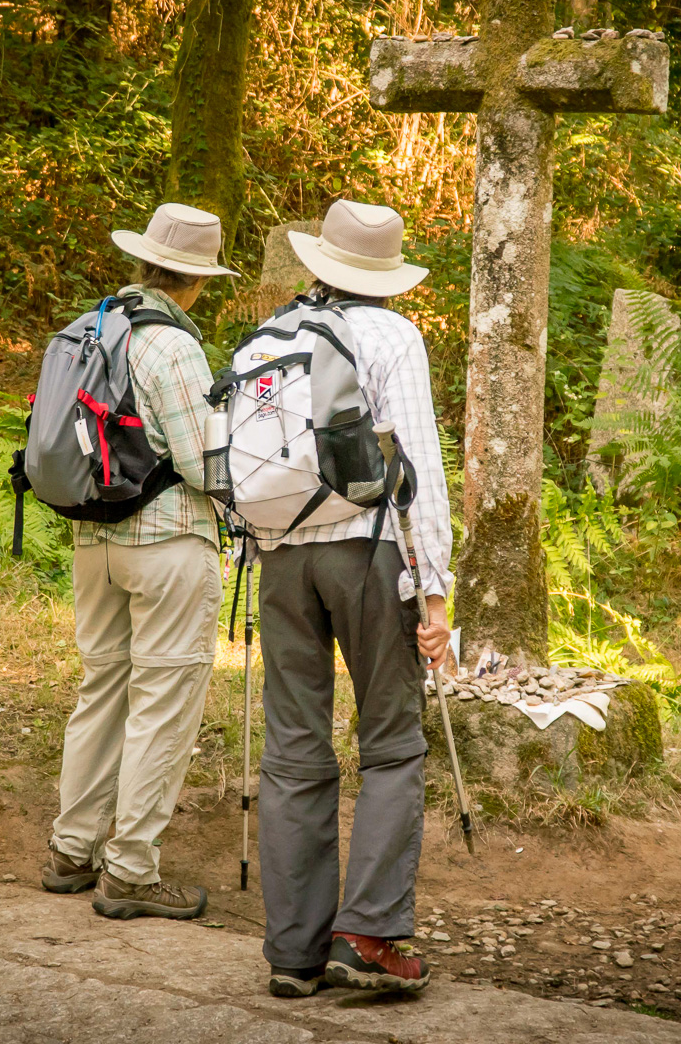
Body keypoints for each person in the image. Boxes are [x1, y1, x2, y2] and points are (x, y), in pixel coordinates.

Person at [255, 200, 454, 995]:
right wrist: (434, 594)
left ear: (320, 263)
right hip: (368, 554)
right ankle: (366, 937)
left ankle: (293, 954)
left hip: (277, 561)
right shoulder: (392, 336)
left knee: (294, 751)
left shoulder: (270, 336)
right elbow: (419, 470)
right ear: (386, 275)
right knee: (394, 743)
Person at [41, 203, 230, 921]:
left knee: (102, 692)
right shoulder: (173, 347)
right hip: (168, 544)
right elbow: (201, 464)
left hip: (95, 541)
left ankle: (72, 849)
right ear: (196, 281)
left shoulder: (91, 327)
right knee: (163, 703)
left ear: (145, 261)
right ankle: (129, 872)